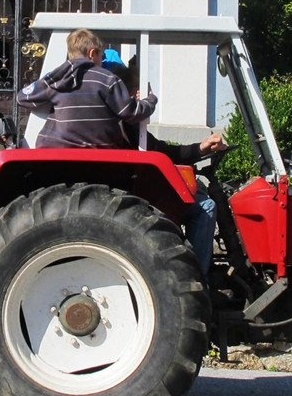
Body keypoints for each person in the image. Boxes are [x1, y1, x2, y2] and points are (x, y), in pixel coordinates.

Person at [106, 60, 227, 268]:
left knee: (199, 195)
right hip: (137, 198)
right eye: (139, 90)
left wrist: (201, 148)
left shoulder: (129, 128)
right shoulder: (124, 128)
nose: (141, 96)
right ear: (130, 93)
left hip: (138, 193)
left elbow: (165, 151)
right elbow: (163, 154)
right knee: (205, 207)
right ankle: (198, 277)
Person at [16, 28, 155, 148]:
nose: (102, 60)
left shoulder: (56, 77)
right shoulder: (108, 79)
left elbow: (23, 98)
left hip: (58, 148)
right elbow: (131, 112)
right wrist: (150, 99)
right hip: (100, 150)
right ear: (92, 53)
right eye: (101, 55)